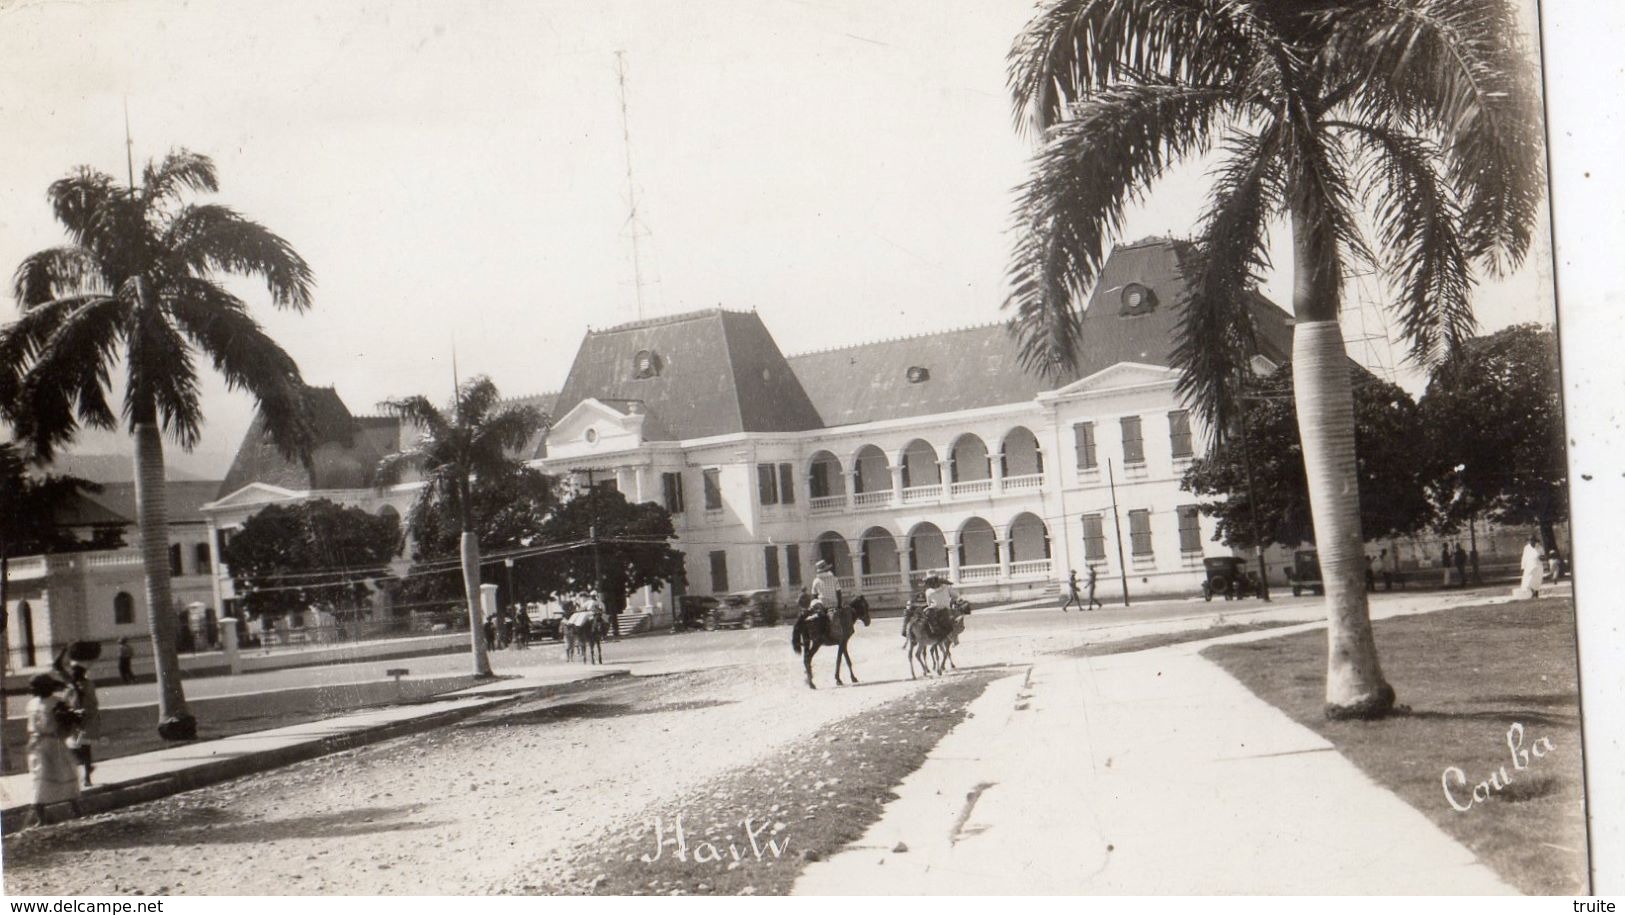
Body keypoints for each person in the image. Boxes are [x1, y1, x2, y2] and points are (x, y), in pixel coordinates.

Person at [24, 673, 82, 827]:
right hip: (38, 744)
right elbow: (32, 726)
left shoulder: (57, 703)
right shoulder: (31, 704)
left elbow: (68, 724)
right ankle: (41, 817)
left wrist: (65, 728)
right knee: (38, 777)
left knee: (64, 772)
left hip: (54, 743)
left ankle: (76, 810)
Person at [54, 655, 100, 787]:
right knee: (76, 747)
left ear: (81, 675)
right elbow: (57, 666)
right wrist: (64, 651)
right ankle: (87, 768)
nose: (72, 675)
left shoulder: (85, 685)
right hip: (76, 719)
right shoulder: (72, 685)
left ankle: (87, 776)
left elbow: (85, 700)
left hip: (87, 719)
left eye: (75, 673)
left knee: (83, 747)